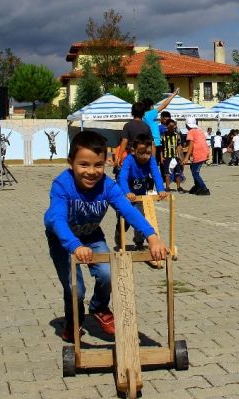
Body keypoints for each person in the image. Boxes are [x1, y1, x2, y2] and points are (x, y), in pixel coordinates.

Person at [44, 131, 170, 342]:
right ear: (71, 163)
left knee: (107, 273)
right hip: (62, 239)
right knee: (76, 288)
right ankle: (73, 321)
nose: (92, 172)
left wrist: (152, 236)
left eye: (98, 165)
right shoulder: (62, 185)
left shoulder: (108, 186)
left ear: (106, 163)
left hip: (92, 234)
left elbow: (128, 211)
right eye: (84, 165)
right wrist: (74, 246)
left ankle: (99, 307)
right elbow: (57, 219)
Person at [117, 134, 168, 251]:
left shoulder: (151, 160)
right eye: (142, 153)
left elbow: (156, 174)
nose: (146, 156)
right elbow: (122, 178)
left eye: (148, 153)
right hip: (125, 195)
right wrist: (127, 192)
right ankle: (119, 235)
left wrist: (161, 189)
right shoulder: (129, 160)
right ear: (134, 151)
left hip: (140, 195)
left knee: (140, 217)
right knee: (124, 222)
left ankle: (139, 242)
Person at [142, 88, 179, 157]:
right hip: (155, 143)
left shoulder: (142, 116)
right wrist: (173, 94)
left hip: (146, 143)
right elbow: (164, 105)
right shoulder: (150, 114)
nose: (153, 107)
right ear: (150, 106)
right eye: (153, 106)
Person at [114, 102, 150, 173]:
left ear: (132, 112)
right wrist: (152, 159)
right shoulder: (146, 127)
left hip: (131, 155)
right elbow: (152, 144)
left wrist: (119, 157)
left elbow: (124, 141)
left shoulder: (128, 125)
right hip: (143, 156)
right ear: (143, 113)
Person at [184, 118, 211, 195]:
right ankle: (197, 186)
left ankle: (204, 188)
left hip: (199, 154)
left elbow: (191, 146)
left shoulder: (191, 132)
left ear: (186, 125)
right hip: (204, 152)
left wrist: (186, 158)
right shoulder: (200, 130)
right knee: (192, 168)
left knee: (195, 172)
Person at [160, 119, 186, 192]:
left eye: (173, 126)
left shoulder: (176, 135)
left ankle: (178, 187)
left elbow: (178, 146)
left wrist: (180, 157)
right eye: (170, 126)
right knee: (167, 173)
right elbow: (161, 148)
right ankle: (167, 187)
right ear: (167, 126)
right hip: (166, 156)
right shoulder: (163, 136)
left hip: (175, 156)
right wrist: (161, 157)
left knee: (178, 172)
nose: (172, 127)